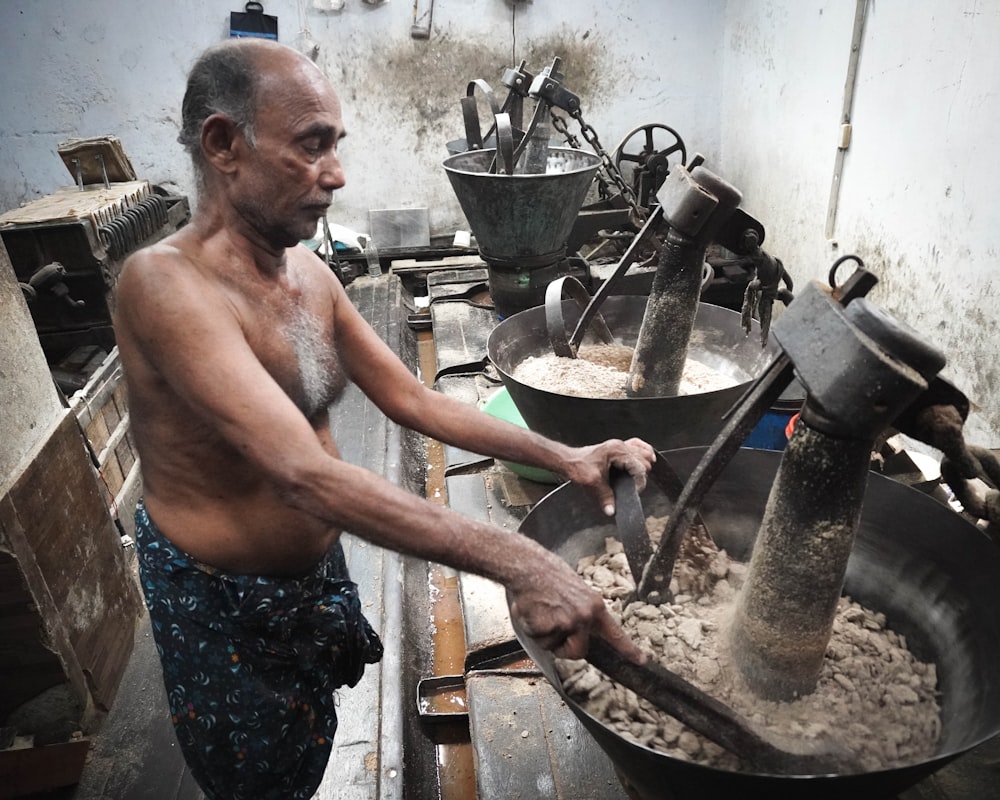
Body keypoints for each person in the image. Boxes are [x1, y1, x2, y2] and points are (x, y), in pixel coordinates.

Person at [113, 38, 655, 800]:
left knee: (312, 740)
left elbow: (416, 400)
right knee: (256, 782)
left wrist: (568, 455)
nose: (336, 173)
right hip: (224, 606)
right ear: (223, 144)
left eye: (335, 145)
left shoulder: (309, 275)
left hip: (313, 578)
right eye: (311, 146)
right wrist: (522, 561)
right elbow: (303, 475)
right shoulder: (165, 287)